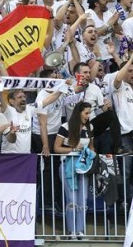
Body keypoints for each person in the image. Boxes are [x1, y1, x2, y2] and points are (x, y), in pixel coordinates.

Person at [54, 101, 95, 240]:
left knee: (83, 198)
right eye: (86, 113)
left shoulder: (90, 127)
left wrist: (91, 155)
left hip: (83, 166)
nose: (88, 116)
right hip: (68, 165)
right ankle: (72, 231)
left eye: (89, 113)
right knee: (71, 199)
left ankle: (80, 231)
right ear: (79, 113)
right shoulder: (65, 127)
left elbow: (91, 147)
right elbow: (56, 148)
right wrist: (72, 149)